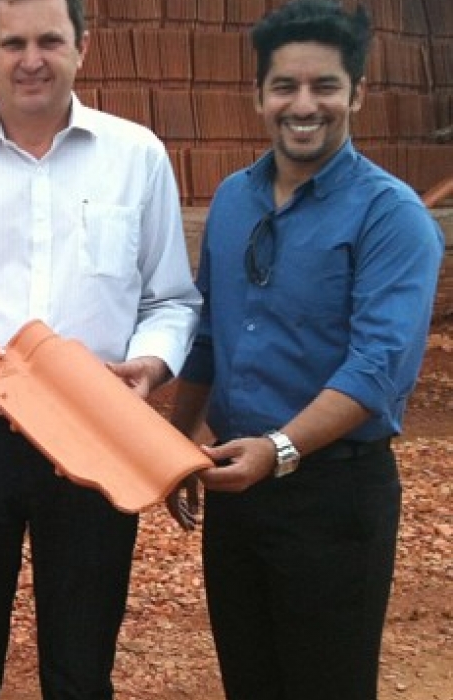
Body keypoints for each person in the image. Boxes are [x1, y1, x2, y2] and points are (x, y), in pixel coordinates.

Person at [0, 0, 201, 696]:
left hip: (97, 432)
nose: (31, 60)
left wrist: (149, 364)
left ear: (83, 45)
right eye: (13, 42)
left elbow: (170, 299)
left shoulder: (136, 157)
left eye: (50, 40)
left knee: (82, 667)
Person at [164, 2, 445, 699]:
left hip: (333, 497)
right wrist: (173, 446)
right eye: (285, 85)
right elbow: (208, 335)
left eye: (325, 86)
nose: (304, 104)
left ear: (357, 93)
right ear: (259, 95)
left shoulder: (391, 216)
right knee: (249, 680)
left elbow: (377, 368)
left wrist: (279, 450)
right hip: (238, 490)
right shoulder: (234, 200)